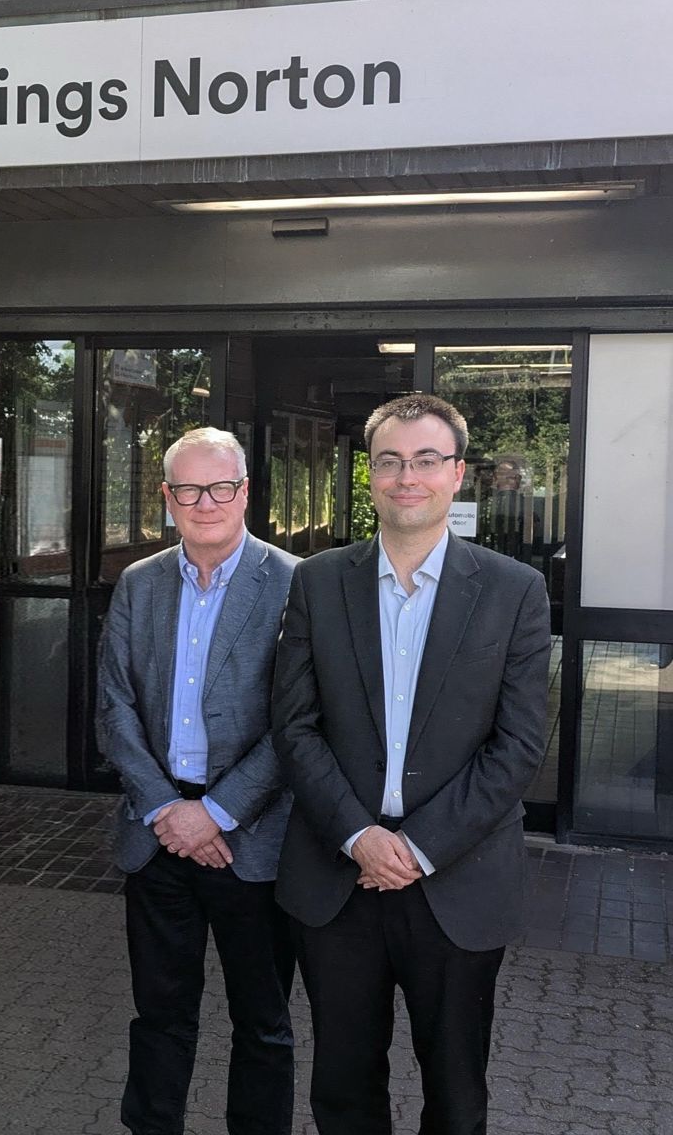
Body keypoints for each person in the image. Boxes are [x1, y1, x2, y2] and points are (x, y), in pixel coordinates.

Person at [272, 394, 551, 1135]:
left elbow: (519, 746)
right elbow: (295, 727)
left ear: (458, 474)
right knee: (340, 1087)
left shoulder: (515, 591)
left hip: (457, 882)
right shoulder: (319, 581)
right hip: (338, 876)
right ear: (370, 475)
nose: (407, 477)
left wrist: (418, 848)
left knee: (457, 1095)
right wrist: (360, 836)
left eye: (427, 461)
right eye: (390, 461)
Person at [98, 426, 300, 1135]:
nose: (204, 501)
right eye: (188, 488)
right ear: (167, 497)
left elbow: (298, 725)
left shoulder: (295, 583)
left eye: (220, 487)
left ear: (244, 492)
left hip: (253, 841)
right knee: (159, 1014)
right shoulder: (139, 583)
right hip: (157, 840)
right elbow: (114, 707)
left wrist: (216, 813)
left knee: (264, 1023)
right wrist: (167, 811)